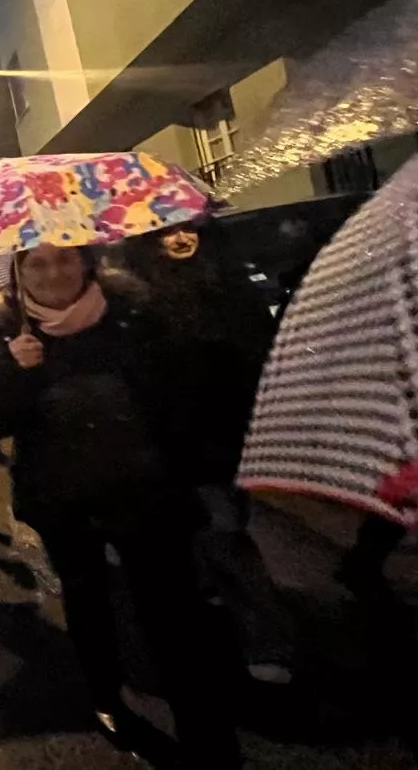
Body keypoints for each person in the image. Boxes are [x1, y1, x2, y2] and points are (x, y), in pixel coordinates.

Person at [0, 244, 240, 767]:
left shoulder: (132, 315)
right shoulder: (8, 332)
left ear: (87, 263)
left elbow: (177, 395)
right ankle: (106, 696)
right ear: (20, 274)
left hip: (144, 491)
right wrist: (15, 371)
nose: (54, 273)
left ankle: (205, 732)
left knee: (170, 613)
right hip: (63, 501)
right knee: (88, 602)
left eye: (65, 260)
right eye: (38, 264)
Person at [124, 222, 299, 684]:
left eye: (188, 230)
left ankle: (254, 626)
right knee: (218, 531)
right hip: (176, 438)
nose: (180, 239)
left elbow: (260, 353)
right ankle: (254, 629)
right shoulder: (136, 300)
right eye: (167, 233)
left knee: (225, 529)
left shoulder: (228, 287)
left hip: (227, 431)